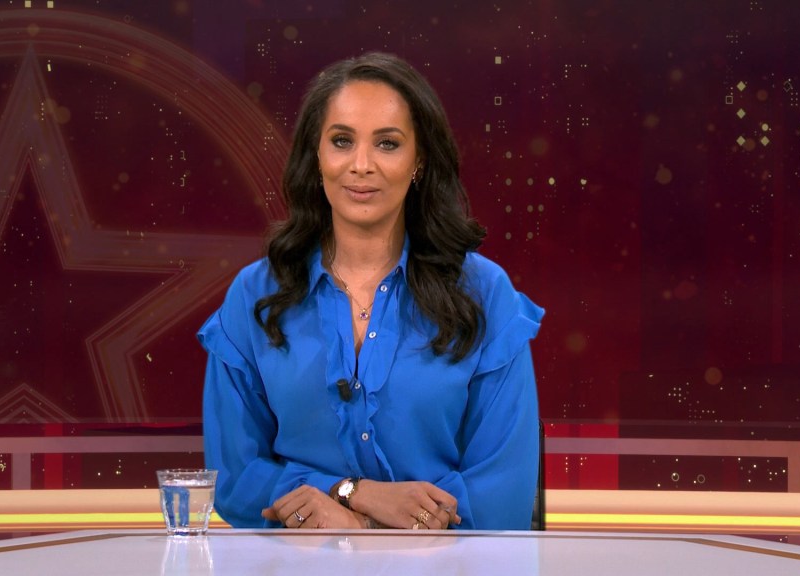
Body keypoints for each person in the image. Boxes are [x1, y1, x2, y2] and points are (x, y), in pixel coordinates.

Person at [198, 51, 543, 530]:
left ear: (419, 160)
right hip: (300, 561)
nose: (361, 165)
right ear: (316, 156)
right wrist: (354, 493)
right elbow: (235, 480)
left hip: (445, 562)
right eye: (342, 141)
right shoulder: (255, 296)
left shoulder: (484, 294)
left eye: (387, 144)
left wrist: (364, 528)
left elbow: (503, 494)